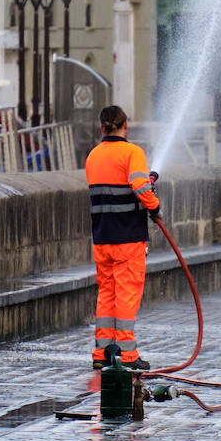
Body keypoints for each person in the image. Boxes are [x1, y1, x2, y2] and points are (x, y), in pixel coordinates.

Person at [84, 105, 160, 370]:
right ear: (125, 125)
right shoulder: (132, 152)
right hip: (128, 237)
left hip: (102, 236)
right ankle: (128, 353)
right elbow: (139, 186)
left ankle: (102, 352)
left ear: (101, 126)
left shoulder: (93, 156)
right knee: (127, 294)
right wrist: (154, 205)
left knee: (106, 293)